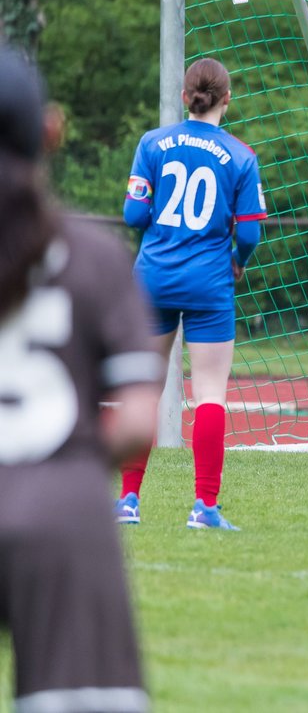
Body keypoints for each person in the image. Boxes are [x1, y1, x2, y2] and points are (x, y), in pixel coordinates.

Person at [0, 48, 163, 713]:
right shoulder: (92, 254)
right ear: (51, 131)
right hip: (64, 516)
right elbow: (136, 422)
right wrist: (62, 463)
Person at [116, 57, 267, 531]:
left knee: (143, 388)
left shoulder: (152, 143)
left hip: (154, 279)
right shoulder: (241, 156)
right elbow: (249, 234)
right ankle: (204, 507)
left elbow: (134, 216)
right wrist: (237, 262)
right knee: (209, 394)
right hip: (209, 283)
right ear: (228, 99)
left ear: (185, 97)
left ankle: (127, 501)